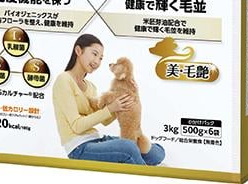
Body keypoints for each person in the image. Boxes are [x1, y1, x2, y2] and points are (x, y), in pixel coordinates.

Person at [52, 33, 165, 165]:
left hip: (97, 139)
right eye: (94, 54)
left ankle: (135, 161)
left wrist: (124, 100)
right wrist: (111, 108)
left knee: (157, 152)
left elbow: (104, 120)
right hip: (79, 148)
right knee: (129, 147)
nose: (97, 62)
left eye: (100, 58)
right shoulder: (64, 80)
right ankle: (144, 172)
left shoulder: (90, 86)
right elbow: (77, 126)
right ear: (78, 50)